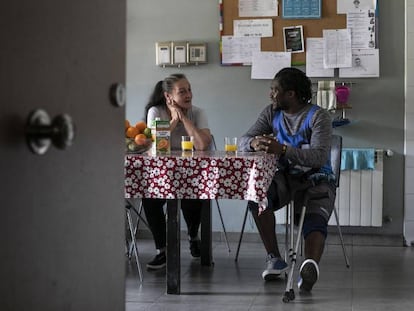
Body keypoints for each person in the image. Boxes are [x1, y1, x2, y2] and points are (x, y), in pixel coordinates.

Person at [239, 67, 336, 292]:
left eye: (275, 90)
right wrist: (253, 143)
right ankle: (274, 258)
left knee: (314, 217)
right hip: (284, 177)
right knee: (258, 197)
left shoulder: (318, 116)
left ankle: (309, 265)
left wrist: (282, 149)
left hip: (317, 177)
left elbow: (319, 156)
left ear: (290, 94)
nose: (270, 94)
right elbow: (245, 137)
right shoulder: (271, 113)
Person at [142, 73, 212, 270]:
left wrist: (185, 120)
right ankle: (161, 251)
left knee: (195, 195)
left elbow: (201, 146)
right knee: (150, 198)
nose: (189, 95)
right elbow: (156, 147)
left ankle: (192, 236)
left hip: (191, 174)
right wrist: (174, 119)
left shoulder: (198, 113)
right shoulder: (155, 112)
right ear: (168, 96)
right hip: (161, 174)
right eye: (182, 91)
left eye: (189, 90)